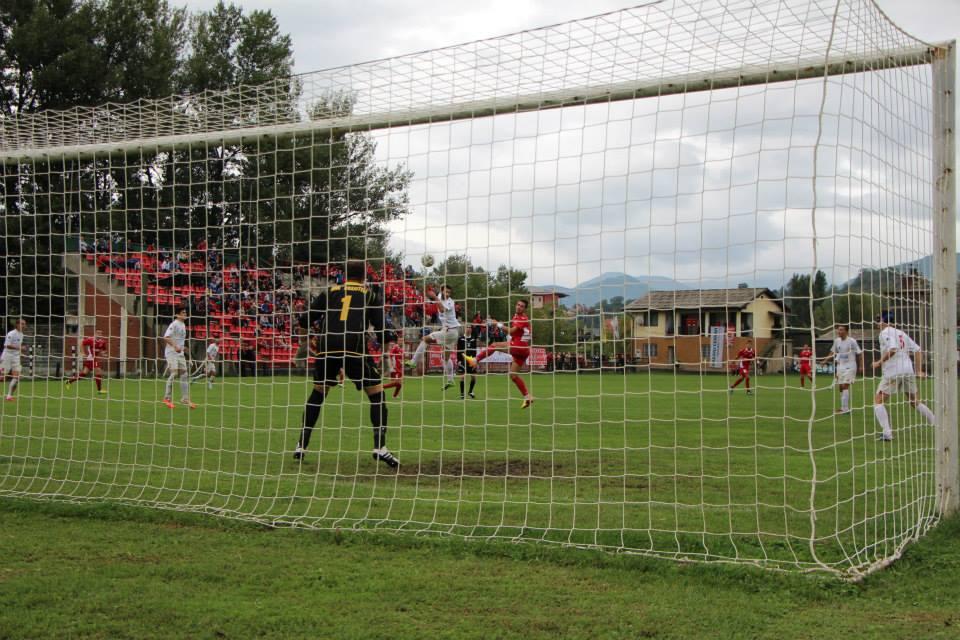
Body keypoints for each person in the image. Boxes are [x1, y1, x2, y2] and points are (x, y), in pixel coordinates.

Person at [293, 260, 398, 468]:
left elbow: (305, 320)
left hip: (327, 346)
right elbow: (382, 331)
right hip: (353, 347)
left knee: (318, 393)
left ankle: (301, 445)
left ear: (344, 275)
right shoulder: (370, 295)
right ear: (364, 277)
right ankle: (380, 447)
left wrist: (303, 344)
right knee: (377, 395)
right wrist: (386, 357)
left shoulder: (330, 291)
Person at [872, 312, 935, 441]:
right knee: (914, 401)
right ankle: (935, 421)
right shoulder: (901, 332)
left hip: (893, 371)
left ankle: (887, 433)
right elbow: (917, 350)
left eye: (878, 320)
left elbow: (893, 349)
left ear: (884, 321)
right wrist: (919, 370)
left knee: (878, 401)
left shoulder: (884, 333)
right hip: (908, 370)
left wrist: (879, 362)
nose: (877, 323)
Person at [466, 299, 533, 408]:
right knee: (513, 375)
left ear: (525, 309)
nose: (519, 307)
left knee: (494, 345)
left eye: (521, 306)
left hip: (518, 346)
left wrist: (498, 324)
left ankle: (475, 360)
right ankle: (527, 396)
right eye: (518, 304)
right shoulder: (517, 317)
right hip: (524, 350)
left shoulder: (522, 318)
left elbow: (511, 331)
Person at [407, 284, 461, 384]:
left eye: (449, 292)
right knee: (445, 358)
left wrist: (435, 296)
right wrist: (426, 291)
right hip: (451, 332)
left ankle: (413, 362)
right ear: (442, 291)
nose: (447, 294)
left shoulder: (450, 302)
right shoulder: (440, 296)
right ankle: (450, 380)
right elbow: (431, 295)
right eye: (446, 291)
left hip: (450, 331)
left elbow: (441, 309)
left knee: (425, 339)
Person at [820, 324, 864, 414]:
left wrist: (861, 366)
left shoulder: (852, 341)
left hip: (850, 366)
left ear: (846, 331)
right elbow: (832, 352)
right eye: (838, 330)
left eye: (841, 330)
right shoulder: (837, 341)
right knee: (840, 387)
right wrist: (825, 360)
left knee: (845, 386)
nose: (839, 331)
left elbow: (859, 354)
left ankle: (845, 409)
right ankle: (844, 407)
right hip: (841, 366)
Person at [162, 308, 196, 409]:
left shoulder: (183, 325)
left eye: (186, 312)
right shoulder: (174, 324)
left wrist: (183, 348)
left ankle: (185, 398)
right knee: (174, 373)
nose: (185, 314)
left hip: (179, 353)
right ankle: (166, 398)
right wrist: (175, 346)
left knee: (184, 373)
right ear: (177, 314)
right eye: (183, 312)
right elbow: (166, 337)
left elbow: (179, 340)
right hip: (171, 352)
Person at [66, 329, 108, 394]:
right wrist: (83, 353)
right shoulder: (90, 340)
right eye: (98, 333)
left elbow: (103, 350)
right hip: (91, 358)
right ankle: (99, 390)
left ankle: (69, 381)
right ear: (95, 333)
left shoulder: (102, 342)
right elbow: (81, 343)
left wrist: (103, 354)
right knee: (98, 371)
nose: (99, 334)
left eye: (100, 333)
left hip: (94, 358)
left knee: (84, 374)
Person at [1, 318, 27, 401]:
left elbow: (17, 347)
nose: (24, 326)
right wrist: (20, 348)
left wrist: (21, 354)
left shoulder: (21, 334)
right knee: (2, 377)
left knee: (17, 377)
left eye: (24, 324)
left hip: (15, 357)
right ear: (17, 324)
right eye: (22, 324)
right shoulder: (11, 333)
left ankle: (9, 396)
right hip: (7, 356)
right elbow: (6, 345)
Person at [457, 323, 479, 399]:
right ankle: (462, 394)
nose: (468, 328)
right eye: (467, 327)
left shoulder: (473, 339)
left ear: (471, 329)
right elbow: (458, 350)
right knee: (462, 377)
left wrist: (475, 360)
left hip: (471, 361)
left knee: (474, 378)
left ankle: (470, 391)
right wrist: (459, 360)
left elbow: (475, 351)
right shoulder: (461, 339)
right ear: (465, 329)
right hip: (463, 361)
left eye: (470, 327)